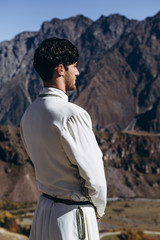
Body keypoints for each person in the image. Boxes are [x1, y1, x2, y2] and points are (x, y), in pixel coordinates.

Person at [20, 37, 107, 240]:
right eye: (74, 67)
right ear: (61, 69)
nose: (77, 72)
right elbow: (96, 179)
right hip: (72, 217)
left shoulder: (28, 115)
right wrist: (98, 209)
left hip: (43, 213)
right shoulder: (72, 115)